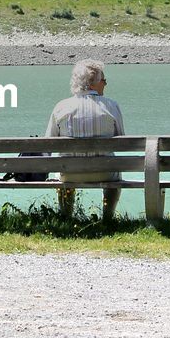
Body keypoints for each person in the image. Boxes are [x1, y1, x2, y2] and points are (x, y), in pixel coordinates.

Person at [45, 59, 124, 220]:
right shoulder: (111, 106)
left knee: (62, 168)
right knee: (114, 170)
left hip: (70, 173)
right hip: (106, 173)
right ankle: (108, 218)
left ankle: (66, 217)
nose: (105, 84)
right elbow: (121, 140)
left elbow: (48, 142)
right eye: (104, 80)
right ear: (92, 83)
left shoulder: (61, 107)